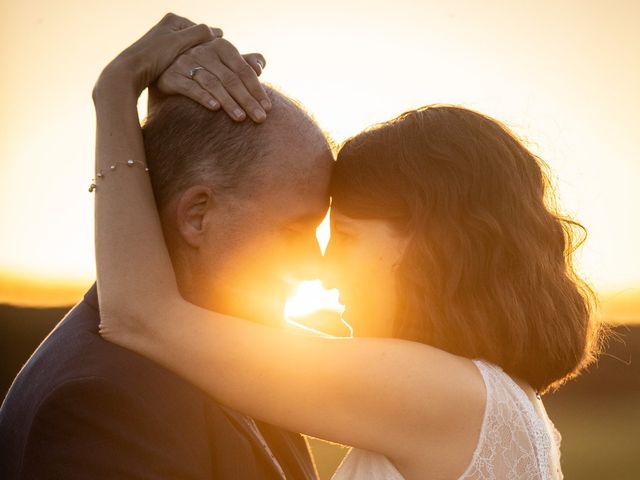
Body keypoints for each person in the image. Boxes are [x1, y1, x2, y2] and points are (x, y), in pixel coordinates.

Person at [95, 12, 606, 480]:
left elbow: (140, 316)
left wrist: (117, 90)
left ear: (425, 240)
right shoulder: (484, 396)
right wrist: (175, 126)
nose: (324, 269)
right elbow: (230, 338)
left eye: (345, 237)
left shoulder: (432, 392)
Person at [0, 13, 330, 479]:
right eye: (295, 231)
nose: (317, 265)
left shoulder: (233, 349)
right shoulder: (102, 402)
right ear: (196, 215)